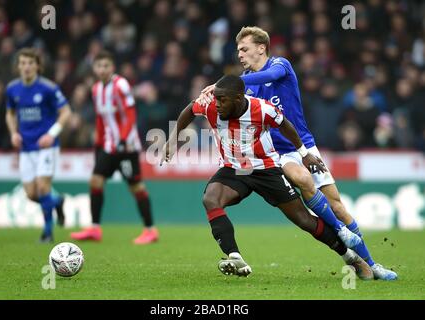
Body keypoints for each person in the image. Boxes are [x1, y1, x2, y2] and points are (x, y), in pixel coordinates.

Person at [199, 26, 397, 280]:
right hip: (275, 153)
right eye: (238, 50)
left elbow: (264, 77)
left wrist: (223, 83)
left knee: (336, 204)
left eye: (244, 49)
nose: (240, 54)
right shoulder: (245, 86)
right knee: (302, 179)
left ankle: (372, 263)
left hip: (304, 145)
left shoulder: (280, 66)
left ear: (261, 48)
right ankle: (340, 232)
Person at [161, 74, 373, 279]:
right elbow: (189, 110)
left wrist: (304, 154)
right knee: (210, 199)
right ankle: (234, 256)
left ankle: (351, 257)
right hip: (235, 168)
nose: (217, 105)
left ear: (238, 99)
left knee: (304, 220)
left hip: (266, 169)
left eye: (223, 100)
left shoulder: (261, 109)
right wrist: (173, 138)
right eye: (216, 99)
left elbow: (286, 126)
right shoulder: (210, 106)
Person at [70, 50, 158, 245]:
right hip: (108, 146)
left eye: (106, 66)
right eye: (99, 66)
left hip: (126, 147)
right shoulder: (95, 89)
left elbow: (130, 113)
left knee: (136, 186)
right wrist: (99, 143)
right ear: (94, 68)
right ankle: (94, 228)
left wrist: (124, 138)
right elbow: (101, 119)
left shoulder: (121, 85)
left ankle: (150, 230)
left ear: (112, 67)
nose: (102, 70)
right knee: (95, 181)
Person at [5, 48, 71, 243]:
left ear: (37, 66)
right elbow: (9, 113)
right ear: (18, 66)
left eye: (30, 63)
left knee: (43, 188)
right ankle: (58, 202)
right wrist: (13, 133)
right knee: (32, 194)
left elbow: (66, 112)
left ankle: (47, 233)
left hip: (46, 146)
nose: (26, 67)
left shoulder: (49, 88)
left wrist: (51, 134)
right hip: (26, 147)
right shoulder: (12, 89)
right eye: (23, 63)